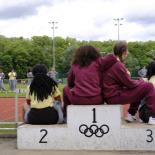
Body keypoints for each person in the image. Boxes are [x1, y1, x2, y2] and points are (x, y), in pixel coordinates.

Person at [101, 41, 155, 125]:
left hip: (110, 96)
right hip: (115, 96)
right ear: (123, 51)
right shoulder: (117, 65)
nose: (128, 53)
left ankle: (131, 114)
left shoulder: (108, 63)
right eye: (127, 50)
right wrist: (140, 81)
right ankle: (152, 117)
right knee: (148, 86)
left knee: (140, 88)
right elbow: (130, 84)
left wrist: (137, 81)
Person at [63, 45, 104, 120]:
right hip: (97, 99)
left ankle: (65, 115)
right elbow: (102, 82)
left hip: (78, 100)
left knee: (65, 89)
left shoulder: (75, 65)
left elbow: (70, 83)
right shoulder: (99, 64)